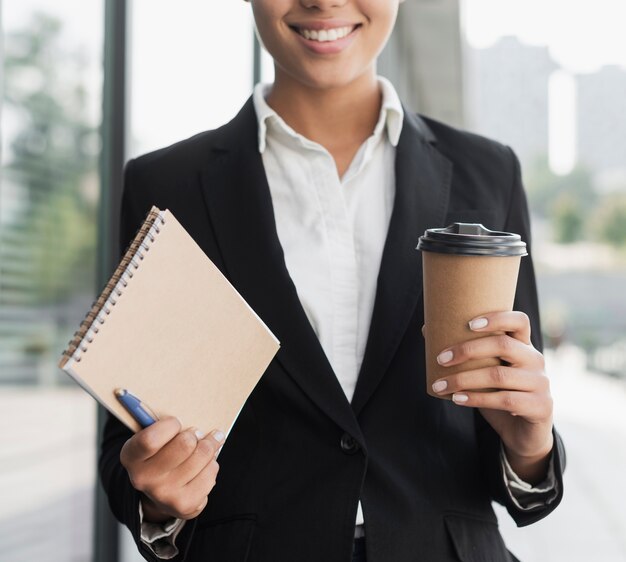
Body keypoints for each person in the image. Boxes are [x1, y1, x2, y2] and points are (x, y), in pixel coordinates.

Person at [99, 1, 565, 561]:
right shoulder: (167, 184)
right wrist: (158, 500)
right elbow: (124, 433)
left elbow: (510, 430)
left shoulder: (488, 173)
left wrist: (530, 447)